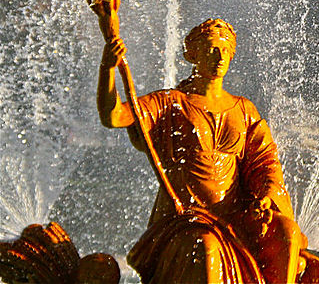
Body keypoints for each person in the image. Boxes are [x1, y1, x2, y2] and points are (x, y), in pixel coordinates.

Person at [97, 18, 307, 284]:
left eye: (224, 51)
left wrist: (266, 196)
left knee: (287, 233)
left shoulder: (244, 110)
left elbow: (266, 165)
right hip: (185, 220)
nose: (218, 57)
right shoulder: (170, 103)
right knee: (207, 249)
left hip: (236, 219)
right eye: (210, 49)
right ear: (193, 54)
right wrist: (107, 68)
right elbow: (113, 115)